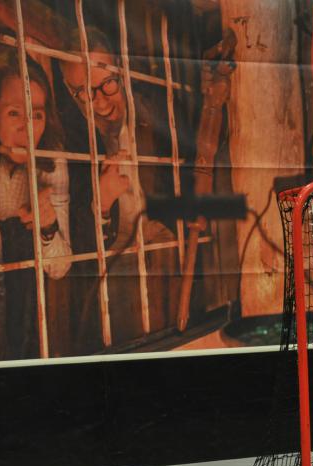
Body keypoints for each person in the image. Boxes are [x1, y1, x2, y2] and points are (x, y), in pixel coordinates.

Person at [60, 26, 181, 351]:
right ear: (70, 92)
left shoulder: (158, 114)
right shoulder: (70, 142)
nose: (99, 101)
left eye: (107, 83)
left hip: (168, 256)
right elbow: (76, 249)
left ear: (122, 70)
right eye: (84, 92)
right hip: (113, 274)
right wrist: (101, 203)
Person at [0, 57, 72, 359]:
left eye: (37, 115)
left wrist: (47, 225)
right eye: (14, 113)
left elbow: (60, 267)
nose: (27, 128)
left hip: (23, 307)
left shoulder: (51, 160)